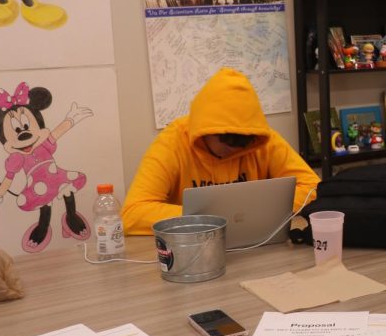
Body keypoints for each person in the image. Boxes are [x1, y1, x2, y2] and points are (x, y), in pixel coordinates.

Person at [122, 68, 320, 235]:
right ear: (204, 130)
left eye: (243, 144)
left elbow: (313, 188)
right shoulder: (172, 142)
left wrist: (256, 212)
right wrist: (208, 219)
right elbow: (132, 213)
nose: (234, 150)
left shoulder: (262, 139)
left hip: (252, 243)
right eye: (227, 142)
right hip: (191, 249)